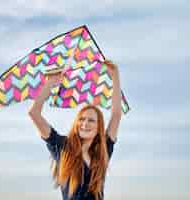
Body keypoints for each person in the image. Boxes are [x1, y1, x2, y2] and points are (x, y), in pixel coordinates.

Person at [28, 60, 122, 200]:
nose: (85, 124)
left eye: (91, 120)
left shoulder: (103, 150)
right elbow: (34, 113)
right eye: (82, 119)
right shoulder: (62, 146)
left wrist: (115, 76)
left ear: (98, 127)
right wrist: (51, 82)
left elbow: (116, 115)